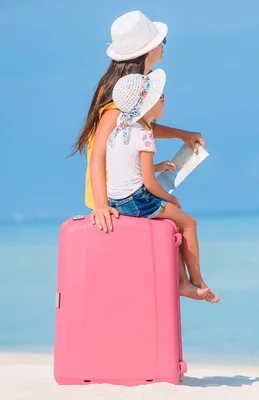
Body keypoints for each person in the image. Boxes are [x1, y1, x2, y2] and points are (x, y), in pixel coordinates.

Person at [69, 10, 210, 301]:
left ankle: (183, 282)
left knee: (173, 221)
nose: (163, 45)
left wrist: (182, 134)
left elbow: (137, 129)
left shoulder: (130, 87)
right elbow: (98, 150)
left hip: (122, 188)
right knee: (181, 220)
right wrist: (100, 205)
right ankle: (187, 283)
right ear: (147, 50)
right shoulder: (115, 95)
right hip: (114, 194)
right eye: (162, 41)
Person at [106, 69, 220, 304]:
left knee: (173, 224)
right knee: (188, 222)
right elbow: (148, 184)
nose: (164, 99)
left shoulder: (120, 129)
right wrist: (169, 200)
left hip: (116, 200)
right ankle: (197, 282)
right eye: (159, 96)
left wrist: (157, 167)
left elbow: (128, 165)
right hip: (137, 201)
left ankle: (182, 282)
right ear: (146, 106)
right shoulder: (145, 135)